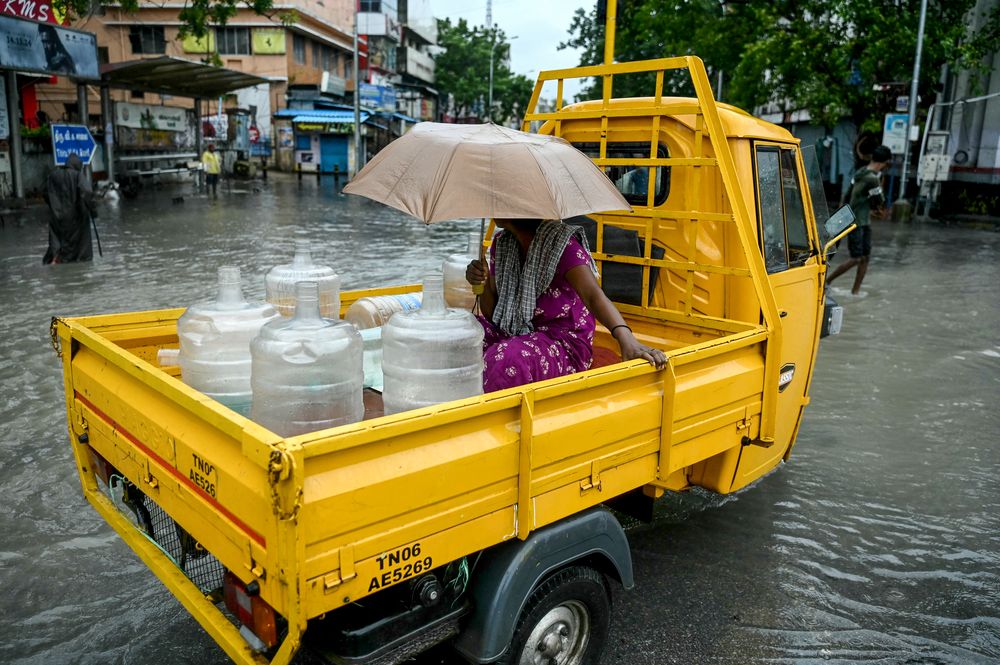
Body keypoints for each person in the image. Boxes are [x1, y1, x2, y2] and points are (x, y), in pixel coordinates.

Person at [466, 218, 667, 392]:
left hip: (561, 342)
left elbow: (593, 296)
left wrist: (627, 340)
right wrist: (481, 284)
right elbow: (494, 314)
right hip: (514, 331)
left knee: (507, 358)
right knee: (464, 332)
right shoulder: (502, 245)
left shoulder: (562, 245)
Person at [828, 145, 892, 294]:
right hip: (859, 222)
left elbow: (847, 195)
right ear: (884, 162)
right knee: (858, 258)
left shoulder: (859, 173)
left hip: (852, 219)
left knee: (865, 257)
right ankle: (829, 281)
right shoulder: (872, 179)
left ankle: (855, 292)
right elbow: (879, 201)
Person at [43, 153, 96, 264]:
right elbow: (87, 192)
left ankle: (55, 258)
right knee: (78, 243)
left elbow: (44, 192)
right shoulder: (77, 175)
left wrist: (53, 205)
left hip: (56, 216)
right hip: (74, 217)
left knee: (57, 239)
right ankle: (75, 262)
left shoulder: (53, 176)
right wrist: (92, 210)